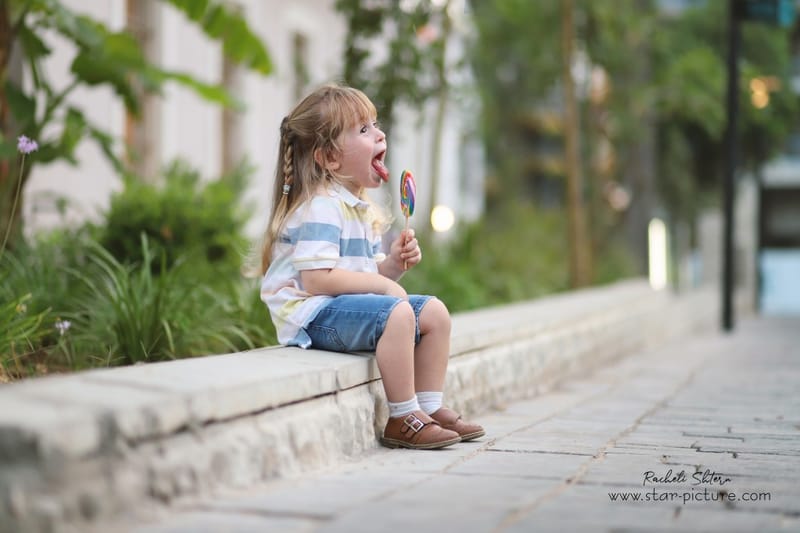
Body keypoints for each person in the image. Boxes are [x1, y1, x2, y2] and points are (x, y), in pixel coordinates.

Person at [256, 83, 484, 450]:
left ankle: (428, 406)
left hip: (337, 306)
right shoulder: (322, 206)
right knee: (396, 314)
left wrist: (392, 266)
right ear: (330, 158)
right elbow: (316, 280)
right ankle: (402, 416)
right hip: (311, 316)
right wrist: (383, 289)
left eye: (375, 125)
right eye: (364, 130)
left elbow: (362, 278)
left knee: (435, 315)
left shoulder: (355, 207)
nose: (379, 134)